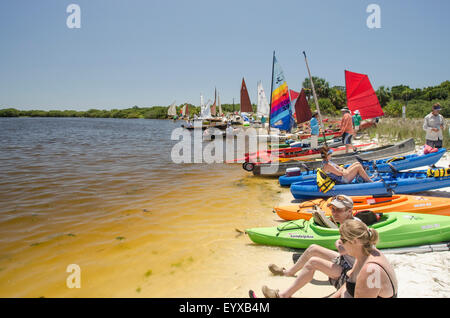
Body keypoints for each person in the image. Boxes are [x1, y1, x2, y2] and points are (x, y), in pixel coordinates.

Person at [256, 195, 362, 298]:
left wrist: (338, 244)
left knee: (313, 262)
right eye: (333, 209)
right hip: (347, 262)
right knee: (313, 248)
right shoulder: (350, 222)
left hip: (352, 273)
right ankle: (288, 273)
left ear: (349, 211)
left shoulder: (353, 228)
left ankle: (282, 295)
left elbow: (347, 251)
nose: (334, 213)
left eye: (339, 210)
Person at [330, 220, 398, 298]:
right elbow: (346, 286)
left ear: (354, 241)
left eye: (342, 240)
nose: (340, 243)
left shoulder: (371, 271)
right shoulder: (364, 255)